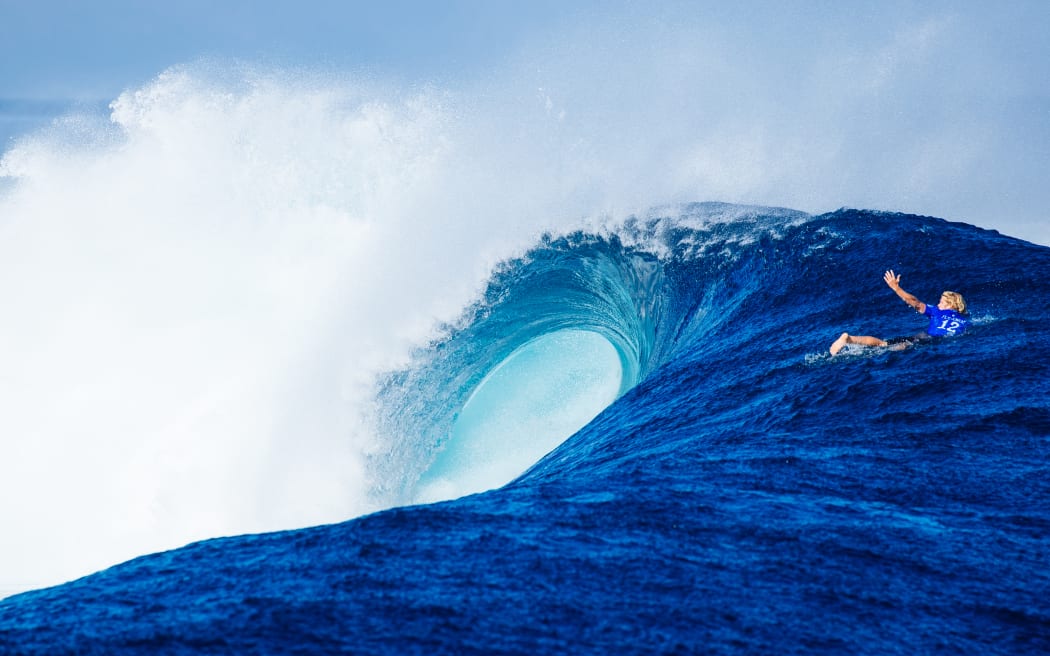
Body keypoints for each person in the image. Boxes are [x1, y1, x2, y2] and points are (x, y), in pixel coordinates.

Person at [830, 270, 969, 356]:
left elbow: (914, 302)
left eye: (941, 302)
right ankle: (859, 348)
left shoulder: (936, 311)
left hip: (926, 337)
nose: (938, 304)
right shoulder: (966, 321)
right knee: (888, 349)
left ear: (950, 304)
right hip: (932, 340)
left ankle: (850, 338)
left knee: (883, 344)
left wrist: (896, 288)